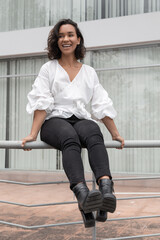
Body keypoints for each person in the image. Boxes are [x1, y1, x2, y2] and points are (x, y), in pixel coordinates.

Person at [22, 19, 124, 228]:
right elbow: (41, 103)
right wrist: (32, 134)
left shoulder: (89, 72)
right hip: (53, 121)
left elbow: (100, 103)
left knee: (94, 132)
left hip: (80, 118)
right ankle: (83, 195)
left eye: (70, 35)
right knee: (69, 137)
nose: (65, 39)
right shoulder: (48, 69)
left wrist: (115, 134)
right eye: (61, 36)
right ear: (56, 41)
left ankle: (106, 191)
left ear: (78, 40)